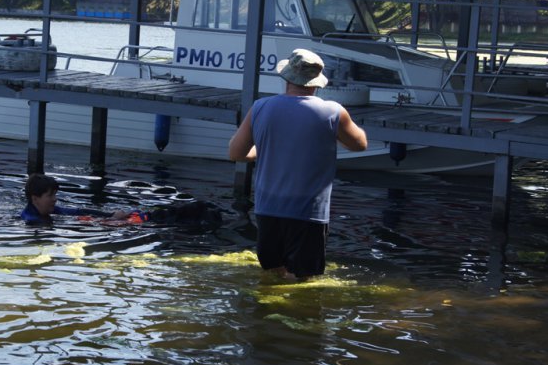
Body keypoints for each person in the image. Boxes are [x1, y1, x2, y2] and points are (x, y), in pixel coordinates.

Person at [228, 48, 368, 279]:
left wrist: (265, 150)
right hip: (308, 212)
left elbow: (236, 153)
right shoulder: (333, 112)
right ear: (316, 82)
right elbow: (359, 144)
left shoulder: (261, 107)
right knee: (303, 281)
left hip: (267, 209)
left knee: (273, 275)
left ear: (287, 77)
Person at [21, 173, 223, 228]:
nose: (55, 199)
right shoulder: (31, 221)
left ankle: (195, 211)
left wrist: (111, 215)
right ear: (35, 198)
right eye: (50, 196)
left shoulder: (52, 211)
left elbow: (78, 212)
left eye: (55, 195)